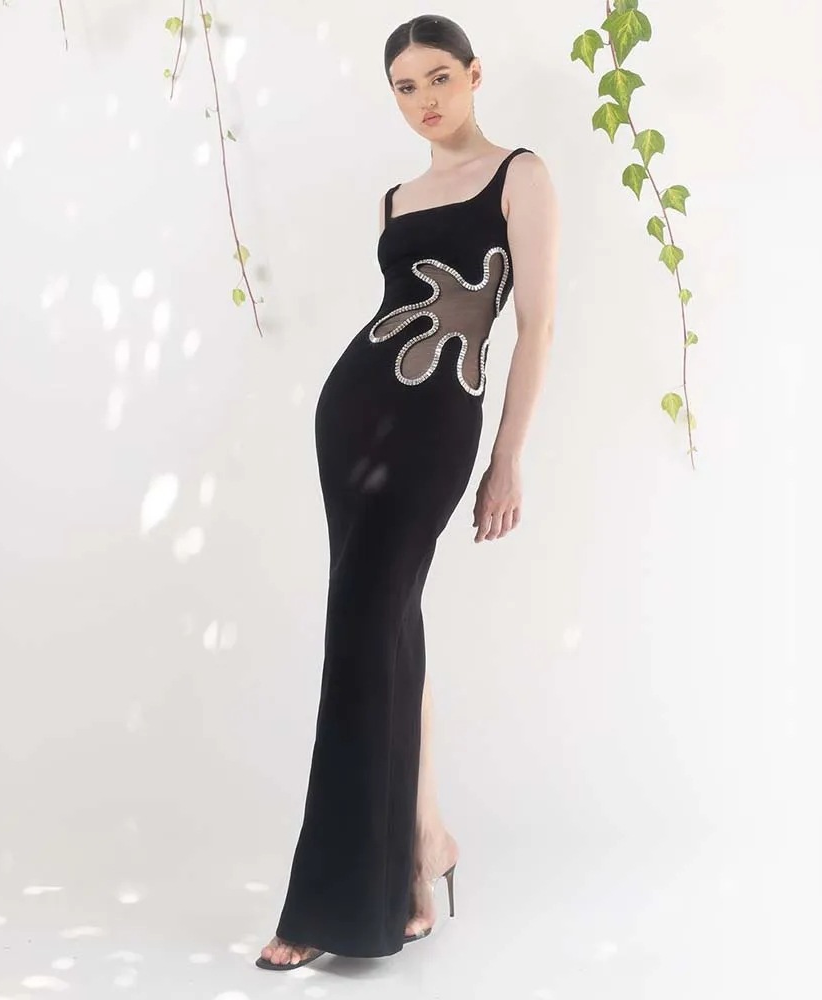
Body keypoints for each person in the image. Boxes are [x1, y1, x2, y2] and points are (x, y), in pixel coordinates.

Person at [257, 13, 560, 970]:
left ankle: (332, 905)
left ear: (473, 74)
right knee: (387, 623)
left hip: (436, 428)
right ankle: (425, 845)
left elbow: (537, 326)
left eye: (438, 78)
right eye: (404, 87)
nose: (424, 100)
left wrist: (508, 457)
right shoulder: (395, 199)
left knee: (361, 632)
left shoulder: (520, 175)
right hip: (352, 418)